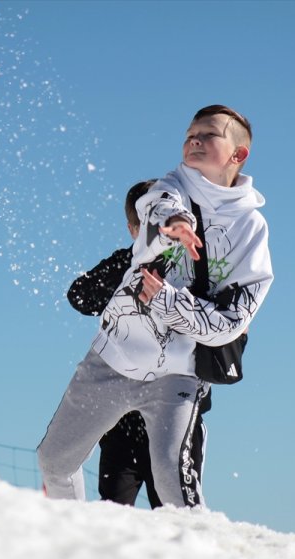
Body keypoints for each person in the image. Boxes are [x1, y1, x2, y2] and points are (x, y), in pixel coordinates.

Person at [39, 104, 273, 507]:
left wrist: (167, 301)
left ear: (239, 154)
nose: (194, 139)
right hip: (112, 359)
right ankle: (72, 544)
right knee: (53, 460)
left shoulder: (251, 229)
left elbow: (234, 320)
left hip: (178, 375)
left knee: (172, 489)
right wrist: (174, 222)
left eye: (209, 134)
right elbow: (158, 203)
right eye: (189, 133)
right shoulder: (169, 187)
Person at [66, 180, 211, 509]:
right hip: (122, 421)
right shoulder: (127, 263)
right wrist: (130, 270)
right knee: (115, 514)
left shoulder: (195, 269)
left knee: (177, 513)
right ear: (136, 231)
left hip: (175, 414)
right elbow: (79, 296)